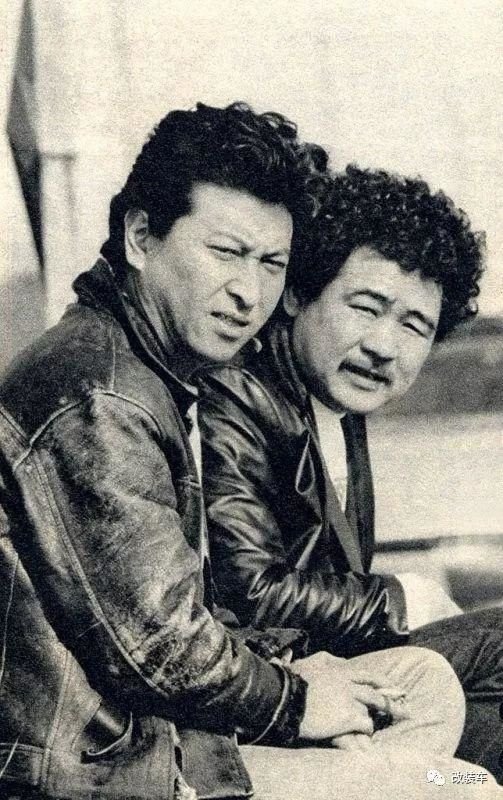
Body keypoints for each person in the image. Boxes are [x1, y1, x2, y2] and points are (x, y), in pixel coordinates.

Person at [0, 104, 498, 800]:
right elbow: (164, 647)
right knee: (458, 784)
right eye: (225, 253)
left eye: (270, 264)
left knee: (430, 691)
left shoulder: (155, 373)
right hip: (116, 765)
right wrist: (300, 699)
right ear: (141, 237)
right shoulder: (104, 395)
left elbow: (187, 614)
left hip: (170, 734)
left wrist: (296, 671)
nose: (247, 292)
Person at [199, 165, 503, 784]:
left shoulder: (337, 397)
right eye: (366, 308)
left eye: (414, 325)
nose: (384, 345)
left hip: (332, 671)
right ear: (296, 296)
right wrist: (400, 598)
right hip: (276, 697)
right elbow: (245, 589)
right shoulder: (236, 396)